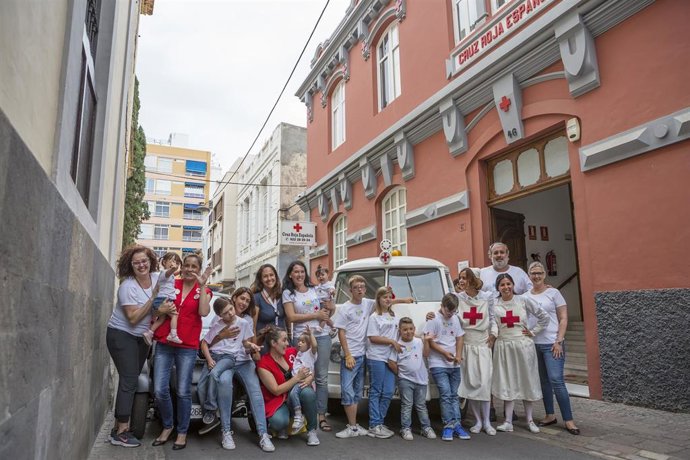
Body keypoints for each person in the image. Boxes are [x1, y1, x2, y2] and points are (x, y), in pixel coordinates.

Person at [106, 245, 176, 448]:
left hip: (141, 339)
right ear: (130, 265)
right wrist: (155, 300)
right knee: (129, 380)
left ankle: (119, 424)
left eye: (144, 260)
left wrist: (164, 307)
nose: (141, 265)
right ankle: (120, 432)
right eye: (136, 262)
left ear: (151, 261)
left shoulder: (156, 277)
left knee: (132, 380)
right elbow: (134, 318)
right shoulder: (127, 287)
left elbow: (169, 290)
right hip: (121, 336)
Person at [202, 287, 275, 452]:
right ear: (233, 298)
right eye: (242, 298)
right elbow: (209, 343)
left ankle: (263, 434)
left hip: (243, 361)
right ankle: (226, 431)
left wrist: (253, 348)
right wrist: (223, 335)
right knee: (225, 384)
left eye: (247, 301)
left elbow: (247, 344)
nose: (244, 303)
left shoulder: (246, 321)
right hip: (226, 360)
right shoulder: (218, 319)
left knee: (255, 392)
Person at [152, 252, 212, 450]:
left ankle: (182, 431)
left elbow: (203, 312)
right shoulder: (171, 283)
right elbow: (156, 308)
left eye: (194, 266)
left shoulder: (203, 290)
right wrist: (162, 310)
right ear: (182, 267)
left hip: (187, 346)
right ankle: (168, 425)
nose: (189, 269)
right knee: (160, 390)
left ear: (199, 270)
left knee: (183, 390)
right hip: (165, 343)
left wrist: (203, 286)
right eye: (187, 265)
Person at [524, 262, 580, 435]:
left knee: (556, 380)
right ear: (529, 275)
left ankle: (569, 420)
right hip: (534, 344)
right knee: (544, 382)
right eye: (533, 273)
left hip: (552, 343)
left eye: (539, 273)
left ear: (545, 274)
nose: (536, 276)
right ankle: (550, 415)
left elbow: (563, 318)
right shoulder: (525, 296)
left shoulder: (553, 293)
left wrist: (559, 340)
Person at [491, 273, 549, 434]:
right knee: (507, 381)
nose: (506, 287)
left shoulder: (523, 300)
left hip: (523, 345)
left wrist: (533, 331)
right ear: (498, 287)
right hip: (504, 346)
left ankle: (530, 420)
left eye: (508, 283)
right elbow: (492, 323)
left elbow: (544, 316)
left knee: (526, 380)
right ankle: (508, 420)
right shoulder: (494, 304)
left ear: (513, 285)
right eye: (502, 285)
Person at [197, 297, 260, 440]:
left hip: (228, 357)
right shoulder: (217, 325)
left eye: (231, 309)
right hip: (214, 356)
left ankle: (211, 409)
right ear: (220, 315)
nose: (230, 313)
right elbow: (204, 344)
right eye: (226, 313)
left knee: (214, 375)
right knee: (201, 386)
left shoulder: (243, 323)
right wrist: (209, 359)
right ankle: (209, 412)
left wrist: (252, 346)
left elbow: (245, 342)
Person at [282, 261, 334, 432]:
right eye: (295, 271)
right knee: (302, 375)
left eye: (302, 271)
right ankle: (302, 414)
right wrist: (315, 314)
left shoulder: (315, 289)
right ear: (290, 274)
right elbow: (291, 317)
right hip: (302, 338)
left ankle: (321, 415)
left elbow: (327, 309)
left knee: (321, 377)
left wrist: (330, 310)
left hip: (322, 335)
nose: (299, 274)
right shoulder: (288, 293)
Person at [257, 327, 320, 446]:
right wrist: (296, 378)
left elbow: (310, 363)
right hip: (278, 400)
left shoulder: (293, 352)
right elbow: (276, 390)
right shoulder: (263, 363)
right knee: (278, 422)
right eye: (284, 340)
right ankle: (284, 425)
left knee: (308, 393)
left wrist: (311, 377)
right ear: (273, 343)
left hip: (296, 395)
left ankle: (311, 431)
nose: (288, 343)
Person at [456, 267, 498, 436]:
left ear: (473, 280)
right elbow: (446, 311)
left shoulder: (487, 298)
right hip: (467, 343)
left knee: (484, 382)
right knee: (470, 382)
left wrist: (494, 334)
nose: (461, 281)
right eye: (460, 278)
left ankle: (487, 421)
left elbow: (493, 319)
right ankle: (478, 421)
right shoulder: (458, 298)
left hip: (483, 343)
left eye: (464, 278)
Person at [424, 293, 471, 441]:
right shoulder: (433, 320)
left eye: (453, 311)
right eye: (448, 311)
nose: (450, 314)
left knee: (453, 394)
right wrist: (445, 353)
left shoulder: (455, 318)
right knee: (445, 393)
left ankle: (457, 423)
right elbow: (430, 342)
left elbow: (459, 337)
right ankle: (448, 425)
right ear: (442, 306)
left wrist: (458, 355)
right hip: (438, 363)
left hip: (454, 363)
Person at [388, 317, 436, 441]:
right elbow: (391, 362)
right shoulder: (398, 344)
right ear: (400, 331)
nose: (408, 332)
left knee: (421, 405)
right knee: (407, 404)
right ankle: (405, 428)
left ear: (414, 329)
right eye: (405, 330)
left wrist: (426, 341)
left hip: (421, 380)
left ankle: (426, 427)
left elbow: (426, 354)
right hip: (405, 380)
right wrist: (401, 374)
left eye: (410, 329)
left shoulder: (419, 342)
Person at [366, 286, 404, 438]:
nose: (387, 299)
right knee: (376, 391)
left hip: (390, 358)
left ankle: (378, 422)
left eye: (389, 297)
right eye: (384, 297)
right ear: (378, 299)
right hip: (376, 357)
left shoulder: (393, 315)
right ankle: (374, 424)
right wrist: (391, 342)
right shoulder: (374, 317)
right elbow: (373, 337)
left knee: (388, 391)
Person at [143, 252, 182, 345]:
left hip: (161, 299)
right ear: (164, 262)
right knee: (174, 315)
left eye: (176, 261)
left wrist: (178, 270)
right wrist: (173, 268)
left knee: (161, 319)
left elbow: (174, 273)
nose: (174, 263)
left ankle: (149, 333)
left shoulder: (170, 274)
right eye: (171, 260)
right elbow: (169, 272)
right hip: (165, 299)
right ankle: (173, 335)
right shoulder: (165, 273)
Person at [289, 327, 318, 434]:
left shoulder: (311, 353)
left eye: (303, 342)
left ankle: (298, 416)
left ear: (309, 345)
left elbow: (315, 346)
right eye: (299, 341)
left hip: (303, 381)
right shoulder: (299, 354)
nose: (299, 343)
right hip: (297, 380)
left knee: (293, 394)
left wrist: (311, 334)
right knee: (292, 395)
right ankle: (299, 416)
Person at [252, 264, 286, 344]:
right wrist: (255, 349)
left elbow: (287, 321)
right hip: (264, 343)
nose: (269, 278)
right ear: (261, 279)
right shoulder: (256, 298)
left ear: (276, 277)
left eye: (271, 275)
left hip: (281, 343)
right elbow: (252, 326)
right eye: (265, 276)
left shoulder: (282, 295)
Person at [314, 264, 336, 332]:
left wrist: (331, 291)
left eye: (322, 275)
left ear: (327, 275)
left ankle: (321, 327)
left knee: (324, 316)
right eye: (318, 276)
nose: (321, 277)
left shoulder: (329, 284)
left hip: (326, 303)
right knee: (317, 312)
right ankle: (333, 326)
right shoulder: (318, 286)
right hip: (318, 303)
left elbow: (332, 290)